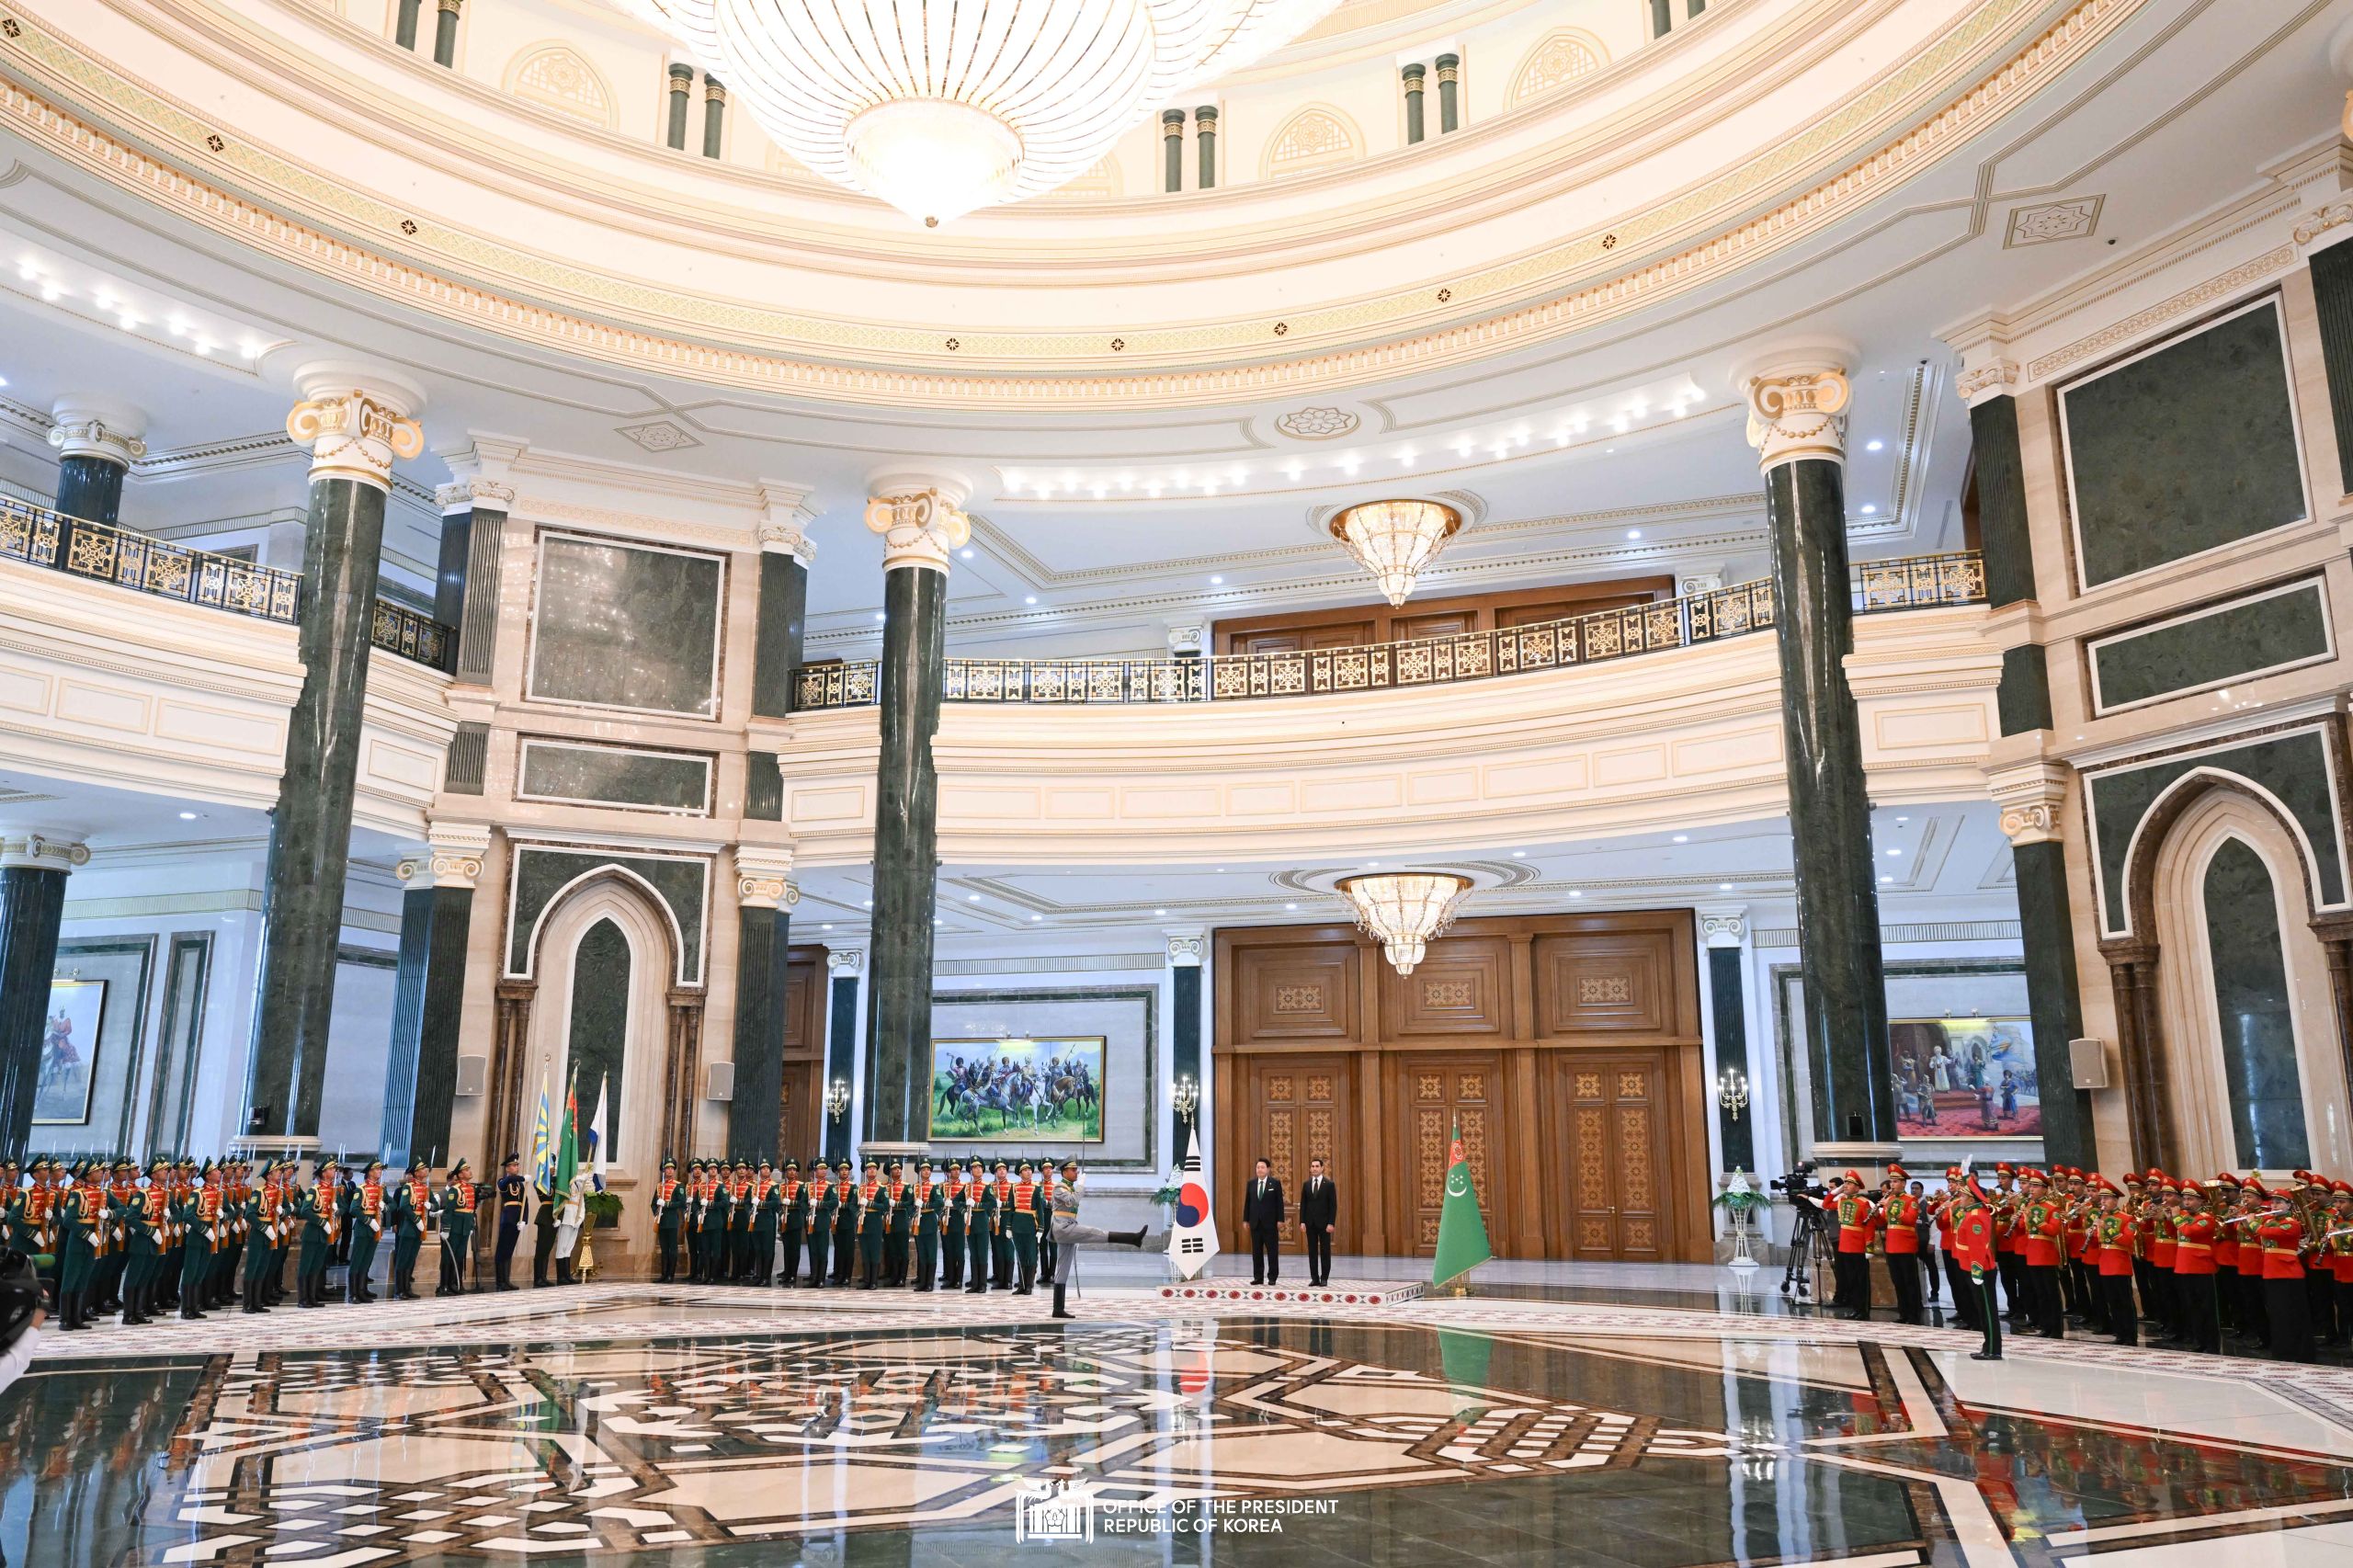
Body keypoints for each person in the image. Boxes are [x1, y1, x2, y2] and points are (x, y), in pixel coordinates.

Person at [1044, 1158, 1147, 1319]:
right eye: (1073, 1170)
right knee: (1095, 1232)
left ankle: (1058, 1309)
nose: (1077, 1172)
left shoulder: (1069, 1187)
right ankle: (1133, 1238)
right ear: (1064, 1172)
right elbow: (1073, 1201)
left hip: (1067, 1228)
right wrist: (1082, 1185)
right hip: (1063, 1228)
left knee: (1062, 1268)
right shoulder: (1059, 1187)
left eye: (1077, 1169)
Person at [1953, 1176, 2001, 1361]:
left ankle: (1992, 1349)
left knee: (1987, 1311)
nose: (1960, 1199)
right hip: (1972, 1267)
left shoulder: (1975, 1217)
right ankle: (1988, 1346)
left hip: (1979, 1270)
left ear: (1972, 1199)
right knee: (1983, 1309)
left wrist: (1976, 1271)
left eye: (1963, 1196)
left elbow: (1978, 1247)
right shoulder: (1973, 1213)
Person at [1830, 1171, 1876, 1321]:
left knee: (1861, 1280)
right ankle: (1856, 1308)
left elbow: (1869, 1226)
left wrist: (1869, 1247)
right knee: (1851, 1280)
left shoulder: (1864, 1203)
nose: (1846, 1186)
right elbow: (1826, 1204)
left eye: (1849, 1184)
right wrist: (1836, 1191)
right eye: (1845, 1183)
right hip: (1845, 1245)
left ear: (1857, 1187)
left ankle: (1863, 1310)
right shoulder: (1842, 1200)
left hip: (1858, 1246)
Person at [437, 1160, 482, 1295]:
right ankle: (444, 1286)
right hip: (454, 1228)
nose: (469, 1171)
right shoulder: (455, 1190)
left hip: (465, 1228)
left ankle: (456, 1284)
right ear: (460, 1175)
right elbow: (449, 1211)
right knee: (448, 1257)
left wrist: (471, 1225)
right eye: (466, 1170)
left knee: (460, 1256)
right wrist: (445, 1229)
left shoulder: (471, 1189)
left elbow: (471, 1210)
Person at [346, 1160, 385, 1303]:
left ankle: (362, 1291)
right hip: (364, 1229)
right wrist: (369, 1221)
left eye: (380, 1169)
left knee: (367, 1260)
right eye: (377, 1169)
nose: (380, 1171)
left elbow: (392, 1204)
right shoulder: (361, 1189)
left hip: (375, 1230)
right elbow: (353, 1209)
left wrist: (385, 1206)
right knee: (357, 1261)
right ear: (370, 1172)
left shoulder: (381, 1189)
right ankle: (353, 1294)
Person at [1245, 1157, 1285, 1286]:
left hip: (1270, 1223)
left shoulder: (1275, 1183)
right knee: (1256, 1252)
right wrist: (1246, 1219)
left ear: (1268, 1169)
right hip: (1255, 1223)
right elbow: (1248, 1203)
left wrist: (1280, 1219)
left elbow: (1280, 1203)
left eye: (1262, 1167)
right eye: (1258, 1167)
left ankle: (1272, 1277)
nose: (1259, 1169)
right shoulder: (1251, 1183)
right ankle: (1258, 1277)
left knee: (1272, 1251)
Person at [1299, 1157, 1337, 1289]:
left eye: (1317, 1166)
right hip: (1310, 1224)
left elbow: (1333, 1206)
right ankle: (1314, 1278)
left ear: (1322, 1168)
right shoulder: (1306, 1184)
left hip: (1325, 1224)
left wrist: (1331, 1223)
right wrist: (1302, 1221)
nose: (1314, 1168)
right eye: (1312, 1166)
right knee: (1312, 1251)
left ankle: (1324, 1278)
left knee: (1325, 1251)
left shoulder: (1329, 1184)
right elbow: (1303, 1204)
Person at [494, 1154, 527, 1290]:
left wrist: (524, 1220)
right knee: (502, 1251)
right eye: (513, 1165)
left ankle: (507, 1280)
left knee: (509, 1251)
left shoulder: (519, 1184)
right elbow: (506, 1182)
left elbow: (525, 1203)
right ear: (507, 1168)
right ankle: (500, 1281)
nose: (516, 1167)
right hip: (508, 1219)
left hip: (517, 1220)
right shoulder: (503, 1181)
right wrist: (523, 1178)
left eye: (517, 1165)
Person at [651, 1157, 685, 1284]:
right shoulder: (659, 1186)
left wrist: (667, 1204)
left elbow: (681, 1203)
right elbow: (653, 1204)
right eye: (667, 1169)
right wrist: (656, 1213)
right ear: (663, 1171)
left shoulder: (679, 1186)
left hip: (672, 1220)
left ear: (674, 1170)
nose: (669, 1171)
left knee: (673, 1248)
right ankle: (663, 1274)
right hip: (661, 1220)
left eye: (671, 1168)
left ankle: (671, 1274)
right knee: (664, 1248)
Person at [914, 1160, 942, 1292]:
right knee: (922, 1254)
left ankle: (930, 1283)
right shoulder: (914, 1187)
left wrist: (924, 1205)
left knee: (931, 1253)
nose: (926, 1171)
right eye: (924, 1169)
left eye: (928, 1169)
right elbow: (909, 1204)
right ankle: (923, 1282)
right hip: (918, 1222)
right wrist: (913, 1210)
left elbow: (939, 1203)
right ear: (919, 1172)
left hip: (929, 1220)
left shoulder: (934, 1187)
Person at [805, 1160, 835, 1288]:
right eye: (820, 1168)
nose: (823, 1170)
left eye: (825, 1168)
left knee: (822, 1251)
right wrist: (807, 1209)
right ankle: (814, 1278)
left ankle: (821, 1279)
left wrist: (820, 1204)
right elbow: (801, 1202)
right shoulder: (808, 1186)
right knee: (814, 1250)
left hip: (822, 1220)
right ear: (815, 1171)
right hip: (811, 1220)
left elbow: (834, 1202)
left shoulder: (830, 1186)